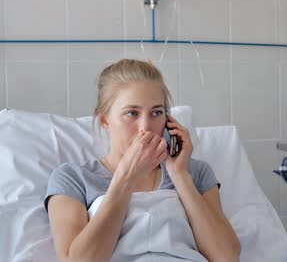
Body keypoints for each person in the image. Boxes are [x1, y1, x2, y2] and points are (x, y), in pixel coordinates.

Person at [44, 59, 240, 262]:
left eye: (157, 113)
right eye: (132, 113)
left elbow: (226, 256)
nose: (145, 127)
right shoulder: (73, 178)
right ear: (105, 120)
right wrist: (125, 178)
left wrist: (180, 176)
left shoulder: (195, 172)